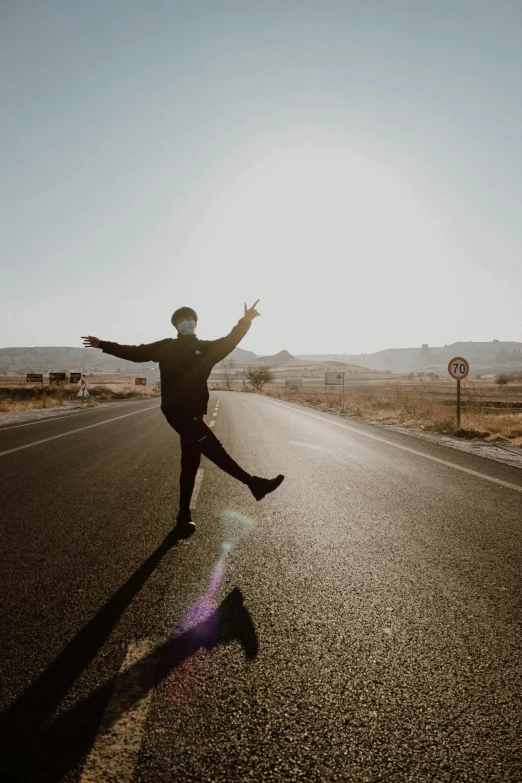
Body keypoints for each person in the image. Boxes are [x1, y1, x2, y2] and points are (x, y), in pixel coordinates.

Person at [81, 301, 284, 533]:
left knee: (190, 463)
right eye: (181, 321)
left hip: (194, 411)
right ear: (176, 325)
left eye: (190, 319)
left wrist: (245, 321)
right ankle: (253, 483)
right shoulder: (165, 347)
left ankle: (183, 516)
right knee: (213, 447)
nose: (186, 323)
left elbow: (230, 340)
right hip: (176, 410)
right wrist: (103, 344)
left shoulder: (207, 349)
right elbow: (135, 352)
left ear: (196, 323)